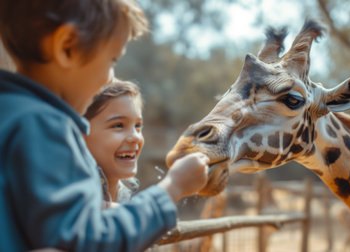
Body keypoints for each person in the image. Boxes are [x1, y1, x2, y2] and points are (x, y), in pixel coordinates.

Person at [0, 1, 209, 251]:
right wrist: (172, 188)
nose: (111, 77)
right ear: (67, 47)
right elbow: (88, 241)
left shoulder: (10, 112)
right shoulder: (44, 124)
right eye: (112, 59)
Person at [84, 80, 144, 206]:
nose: (136, 137)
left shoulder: (128, 194)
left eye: (138, 125)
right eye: (118, 125)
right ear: (81, 133)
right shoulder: (69, 196)